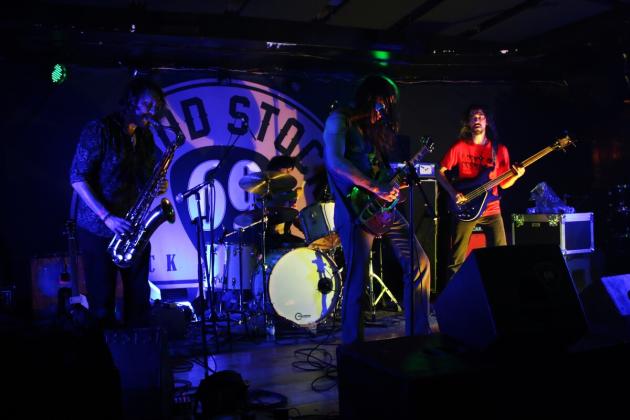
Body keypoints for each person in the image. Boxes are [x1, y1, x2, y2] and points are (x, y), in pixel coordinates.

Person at [323, 74, 432, 344]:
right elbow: (334, 162)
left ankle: (418, 338)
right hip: (354, 211)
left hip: (383, 209)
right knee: (357, 283)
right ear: (370, 98)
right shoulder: (340, 120)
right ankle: (353, 348)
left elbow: (379, 174)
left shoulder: (373, 132)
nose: (384, 111)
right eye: (383, 104)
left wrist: (391, 188)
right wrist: (375, 187)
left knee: (419, 263)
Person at [69, 77, 168, 328]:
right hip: (98, 227)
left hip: (131, 227)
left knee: (139, 302)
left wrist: (156, 185)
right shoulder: (100, 130)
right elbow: (77, 178)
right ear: (131, 101)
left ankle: (135, 347)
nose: (153, 111)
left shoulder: (144, 137)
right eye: (148, 104)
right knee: (102, 304)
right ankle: (104, 350)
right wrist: (107, 217)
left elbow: (144, 178)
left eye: (156, 106)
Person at [437, 105, 525, 279]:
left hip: (492, 209)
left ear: (487, 122)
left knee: (500, 256)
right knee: (456, 259)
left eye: (480, 116)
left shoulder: (499, 151)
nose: (477, 119)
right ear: (468, 123)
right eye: (473, 117)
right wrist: (453, 193)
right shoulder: (460, 147)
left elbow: (504, 184)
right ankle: (454, 294)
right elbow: (438, 171)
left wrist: (516, 176)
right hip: (466, 206)